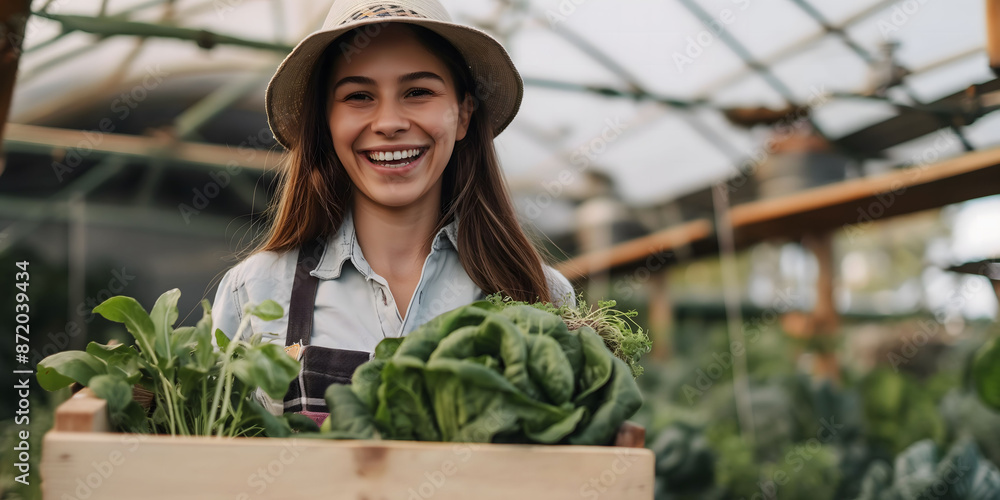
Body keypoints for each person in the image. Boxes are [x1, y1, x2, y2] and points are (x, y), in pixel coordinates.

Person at [211, 0, 575, 418]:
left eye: (418, 92)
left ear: (463, 115)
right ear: (327, 123)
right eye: (359, 96)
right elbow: (208, 458)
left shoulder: (541, 296)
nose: (388, 122)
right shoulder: (253, 291)